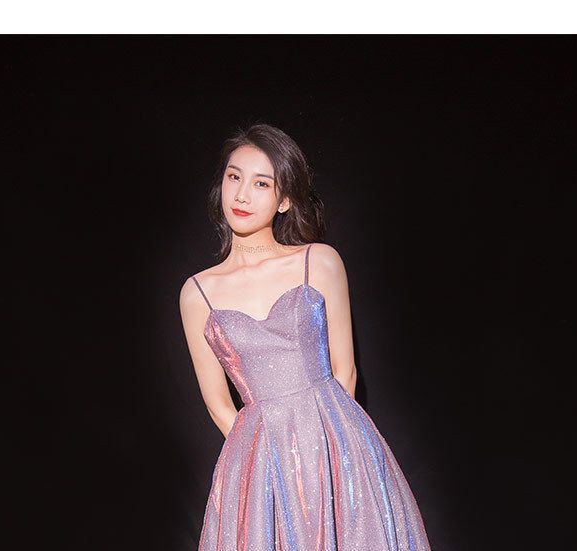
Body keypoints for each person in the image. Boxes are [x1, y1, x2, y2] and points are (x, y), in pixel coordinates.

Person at [179, 123, 432, 550]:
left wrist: (332, 459)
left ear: (285, 200)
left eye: (262, 183)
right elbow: (219, 405)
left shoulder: (320, 261)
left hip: (338, 449)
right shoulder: (197, 293)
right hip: (260, 463)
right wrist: (267, 466)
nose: (242, 195)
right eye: (234, 177)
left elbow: (345, 372)